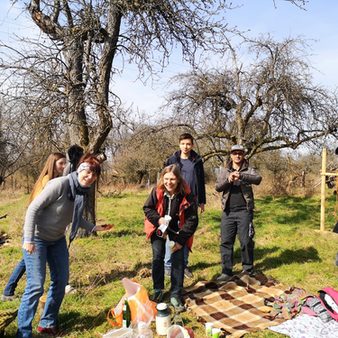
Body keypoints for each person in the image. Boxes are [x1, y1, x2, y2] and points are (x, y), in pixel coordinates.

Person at [16, 155, 113, 338]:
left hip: (57, 240)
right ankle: (23, 332)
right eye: (88, 171)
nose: (90, 176)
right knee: (36, 285)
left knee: (61, 282)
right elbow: (33, 209)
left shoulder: (81, 192)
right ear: (80, 169)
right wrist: (28, 239)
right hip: (36, 238)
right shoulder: (59, 184)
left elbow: (74, 217)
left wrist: (94, 227)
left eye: (95, 174)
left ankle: (47, 323)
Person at [2, 152, 67, 302]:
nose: (63, 167)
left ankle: (8, 291)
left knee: (25, 261)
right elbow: (36, 207)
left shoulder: (55, 180)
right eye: (61, 163)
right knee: (28, 262)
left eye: (65, 163)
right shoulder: (46, 181)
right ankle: (8, 291)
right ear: (53, 164)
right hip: (38, 231)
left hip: (43, 231)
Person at [144, 164, 198, 313]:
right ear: (162, 178)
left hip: (177, 230)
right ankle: (158, 289)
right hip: (158, 228)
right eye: (166, 179)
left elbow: (192, 220)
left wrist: (181, 241)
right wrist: (158, 220)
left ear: (178, 180)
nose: (169, 182)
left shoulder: (187, 195)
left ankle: (175, 293)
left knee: (178, 260)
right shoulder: (157, 191)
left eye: (172, 179)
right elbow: (147, 208)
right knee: (158, 258)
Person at [215, 145, 262, 281]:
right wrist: (229, 180)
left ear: (243, 155)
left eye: (240, 153)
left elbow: (258, 179)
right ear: (231, 155)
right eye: (235, 153)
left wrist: (241, 175)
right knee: (226, 242)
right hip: (228, 212)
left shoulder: (249, 169)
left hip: (244, 211)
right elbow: (218, 187)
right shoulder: (224, 171)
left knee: (246, 241)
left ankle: (247, 269)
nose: (237, 156)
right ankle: (226, 271)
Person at [164, 133, 206, 279]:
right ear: (179, 144)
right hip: (174, 200)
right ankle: (168, 265)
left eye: (188, 144)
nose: (185, 147)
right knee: (172, 231)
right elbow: (165, 180)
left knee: (187, 232)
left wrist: (202, 200)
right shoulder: (172, 160)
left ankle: (184, 264)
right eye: (183, 143)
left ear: (192, 145)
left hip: (191, 200)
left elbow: (201, 181)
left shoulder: (197, 160)